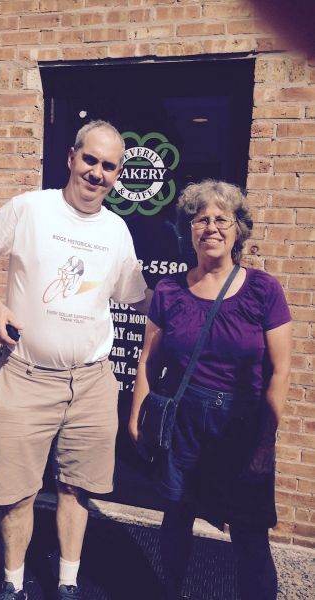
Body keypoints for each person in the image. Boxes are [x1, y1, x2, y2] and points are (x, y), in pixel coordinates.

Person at [0, 120, 152, 600]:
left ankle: (67, 582)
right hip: (26, 377)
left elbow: (137, 297)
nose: (97, 173)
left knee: (76, 488)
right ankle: (12, 584)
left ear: (117, 174)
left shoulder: (117, 230)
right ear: (71, 157)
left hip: (92, 383)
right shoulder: (32, 209)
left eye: (109, 166)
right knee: (16, 491)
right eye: (90, 159)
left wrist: (196, 295)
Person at [129, 179, 292, 600]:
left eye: (222, 219)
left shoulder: (263, 290)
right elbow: (148, 361)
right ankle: (171, 590)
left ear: (239, 229)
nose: (211, 227)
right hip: (183, 423)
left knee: (250, 535)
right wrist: (136, 418)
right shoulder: (170, 291)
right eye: (201, 219)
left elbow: (280, 370)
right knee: (176, 517)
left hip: (241, 426)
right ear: (189, 230)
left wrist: (264, 442)